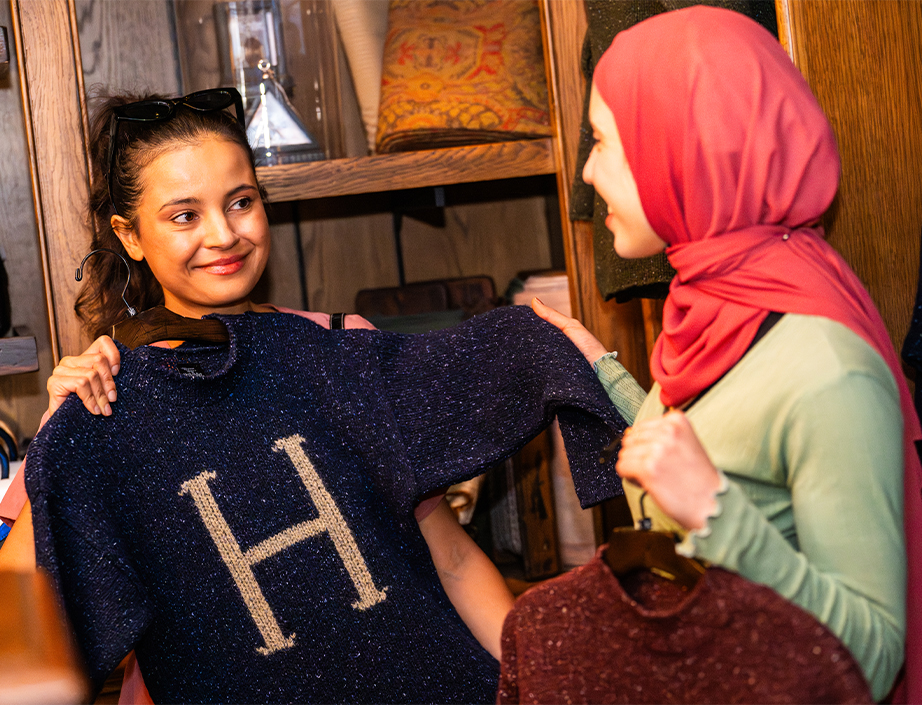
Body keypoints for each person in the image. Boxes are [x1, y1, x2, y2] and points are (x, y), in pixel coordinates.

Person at [0, 89, 621, 704]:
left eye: (241, 202)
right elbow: (24, 617)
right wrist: (65, 432)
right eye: (184, 215)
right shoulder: (103, 407)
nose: (223, 235)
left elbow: (451, 560)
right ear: (129, 235)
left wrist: (538, 686)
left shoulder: (344, 350)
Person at [530, 6, 922, 703]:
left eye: (601, 141)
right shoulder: (716, 304)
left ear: (680, 147)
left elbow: (871, 658)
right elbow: (736, 440)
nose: (588, 173)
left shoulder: (826, 366)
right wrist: (607, 373)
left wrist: (715, 512)